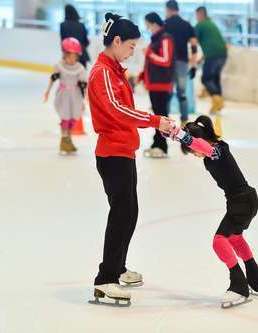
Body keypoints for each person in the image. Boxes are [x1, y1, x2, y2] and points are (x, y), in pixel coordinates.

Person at [87, 12, 174, 305]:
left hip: (124, 150)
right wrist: (154, 121)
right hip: (112, 153)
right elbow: (116, 110)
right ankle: (105, 278)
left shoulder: (114, 70)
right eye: (131, 46)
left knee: (129, 212)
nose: (133, 52)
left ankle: (118, 267)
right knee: (121, 213)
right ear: (116, 41)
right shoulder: (102, 72)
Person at [173, 115, 258, 309]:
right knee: (235, 238)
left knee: (219, 241)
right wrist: (170, 133)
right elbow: (202, 148)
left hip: (242, 202)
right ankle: (255, 281)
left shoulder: (217, 151)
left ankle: (239, 287)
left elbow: (205, 149)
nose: (194, 154)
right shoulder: (216, 151)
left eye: (192, 151)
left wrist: (181, 135)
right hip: (243, 200)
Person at [138, 12, 175, 159]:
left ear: (154, 24)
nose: (148, 29)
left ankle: (162, 145)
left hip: (161, 84)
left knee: (161, 115)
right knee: (158, 115)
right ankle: (157, 143)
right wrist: (143, 74)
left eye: (148, 26)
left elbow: (166, 60)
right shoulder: (157, 39)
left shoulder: (165, 38)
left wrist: (149, 53)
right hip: (154, 83)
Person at [43, 38, 87, 155]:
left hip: (75, 96)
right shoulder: (59, 66)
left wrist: (84, 101)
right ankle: (64, 138)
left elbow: (83, 85)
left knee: (73, 119)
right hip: (63, 95)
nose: (72, 60)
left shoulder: (80, 68)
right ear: (64, 54)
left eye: (74, 57)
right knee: (65, 118)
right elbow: (53, 78)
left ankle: (69, 140)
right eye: (69, 56)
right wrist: (47, 91)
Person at [164, 0, 198, 126]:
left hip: (168, 63)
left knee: (167, 92)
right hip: (183, 63)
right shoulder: (187, 25)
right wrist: (194, 65)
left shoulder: (165, 24)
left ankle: (165, 121)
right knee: (182, 94)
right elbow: (194, 46)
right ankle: (184, 122)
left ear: (168, 9)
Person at [195, 6, 228, 114]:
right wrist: (202, 58)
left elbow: (192, 38)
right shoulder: (211, 24)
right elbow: (211, 43)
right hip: (222, 54)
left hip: (213, 55)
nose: (196, 18)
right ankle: (218, 103)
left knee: (206, 79)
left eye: (197, 15)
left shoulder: (201, 25)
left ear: (200, 14)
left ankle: (217, 100)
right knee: (215, 78)